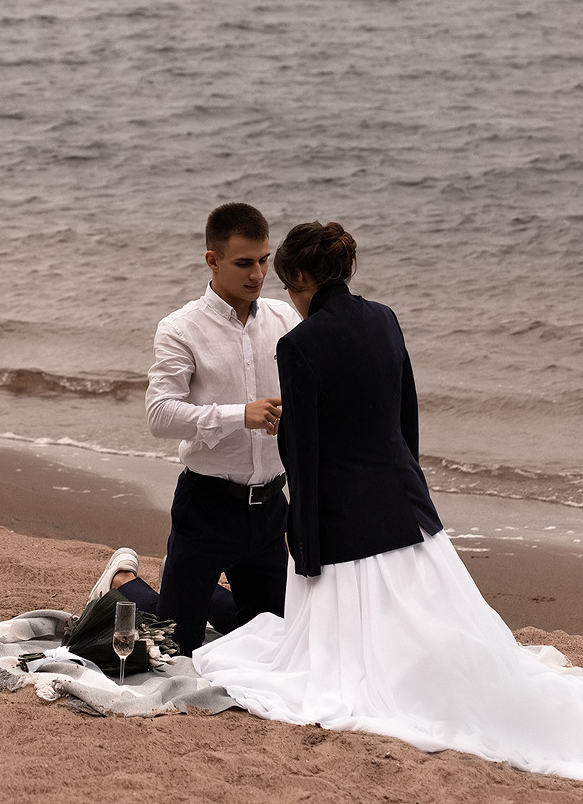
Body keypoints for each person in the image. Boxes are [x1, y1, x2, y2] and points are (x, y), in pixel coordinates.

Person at [193, 221, 583, 781]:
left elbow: (300, 451)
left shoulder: (298, 346)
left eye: (288, 286)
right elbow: (407, 417)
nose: (291, 300)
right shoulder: (385, 318)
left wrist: (302, 542)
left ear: (301, 277)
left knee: (336, 663)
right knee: (440, 628)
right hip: (405, 507)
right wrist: (411, 489)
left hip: (343, 520)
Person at [88, 203, 296, 655]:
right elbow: (160, 415)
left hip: (268, 511)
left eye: (263, 260)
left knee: (273, 638)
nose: (258, 274)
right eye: (244, 262)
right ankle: (123, 582)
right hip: (207, 509)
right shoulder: (180, 328)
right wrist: (238, 414)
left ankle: (198, 599)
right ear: (213, 260)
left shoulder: (286, 321)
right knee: (174, 644)